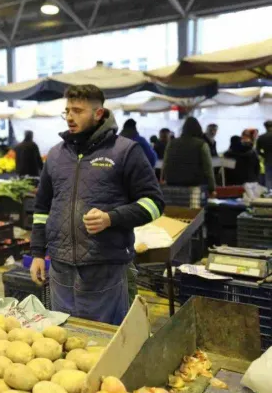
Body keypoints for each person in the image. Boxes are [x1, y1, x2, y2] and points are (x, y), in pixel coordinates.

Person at [29, 84, 164, 326]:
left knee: (106, 340)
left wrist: (111, 218)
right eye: (67, 111)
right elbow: (42, 209)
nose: (70, 117)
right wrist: (38, 253)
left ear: (99, 113)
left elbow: (154, 203)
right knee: (64, 335)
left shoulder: (125, 151)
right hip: (60, 268)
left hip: (105, 268)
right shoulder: (56, 155)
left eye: (78, 111)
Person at [161, 117, 216, 195]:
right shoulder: (201, 144)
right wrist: (212, 188)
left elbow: (165, 165)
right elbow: (208, 170)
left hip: (172, 186)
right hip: (195, 188)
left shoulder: (171, 143)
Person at [257, 120, 272, 189]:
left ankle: (270, 193)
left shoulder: (261, 137)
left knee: (268, 178)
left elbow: (257, 150)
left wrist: (264, 155)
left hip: (268, 159)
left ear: (265, 127)